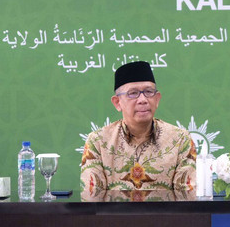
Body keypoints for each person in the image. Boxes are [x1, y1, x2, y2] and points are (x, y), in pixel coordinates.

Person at [81, 61, 196, 199]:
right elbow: (90, 199)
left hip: (165, 220)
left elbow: (188, 202)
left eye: (148, 92)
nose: (143, 100)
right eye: (133, 93)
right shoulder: (98, 141)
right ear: (117, 103)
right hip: (114, 220)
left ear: (157, 99)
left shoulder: (179, 140)